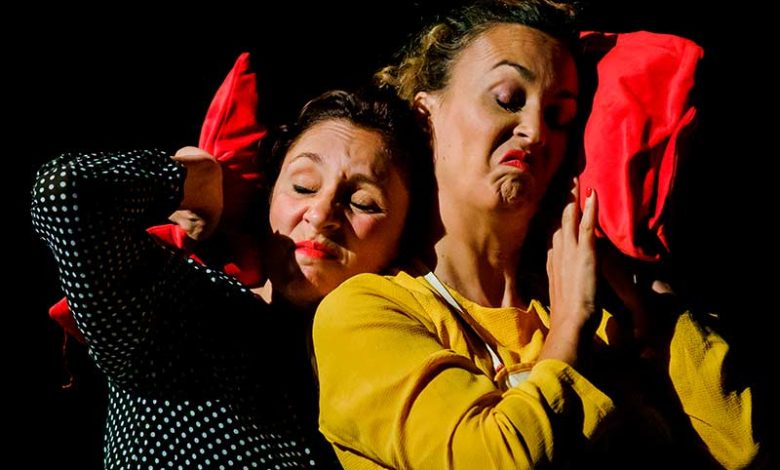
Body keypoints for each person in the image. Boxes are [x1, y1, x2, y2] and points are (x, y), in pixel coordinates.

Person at [312, 1, 757, 469]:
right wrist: (568, 329)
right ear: (426, 116)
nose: (535, 130)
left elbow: (741, 446)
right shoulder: (365, 311)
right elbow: (491, 460)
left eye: (560, 116)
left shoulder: (606, 305)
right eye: (507, 99)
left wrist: (646, 302)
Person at [31, 88, 429, 469]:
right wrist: (195, 183)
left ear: (402, 243)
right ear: (270, 196)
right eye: (303, 186)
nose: (321, 213)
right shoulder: (178, 310)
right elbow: (66, 193)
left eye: (363, 202)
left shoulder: (399, 376)